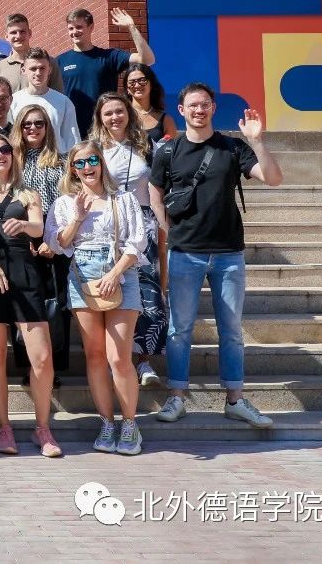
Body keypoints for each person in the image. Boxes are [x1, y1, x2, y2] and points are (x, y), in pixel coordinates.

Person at [151, 83, 283, 429]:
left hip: (228, 254)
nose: (199, 110)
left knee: (232, 330)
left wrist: (257, 141)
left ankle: (235, 400)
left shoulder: (233, 147)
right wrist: (168, 229)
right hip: (185, 252)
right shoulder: (168, 150)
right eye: (193, 105)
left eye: (205, 104)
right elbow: (155, 191)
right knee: (179, 329)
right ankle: (177, 397)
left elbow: (273, 179)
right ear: (181, 110)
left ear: (213, 108)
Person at [0, 133, 61, 458]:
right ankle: (3, 426)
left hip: (24, 273)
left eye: (5, 149)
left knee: (42, 357)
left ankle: (42, 427)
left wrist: (24, 226)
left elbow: (38, 228)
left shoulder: (27, 193)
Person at [45, 141, 147, 455]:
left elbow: (137, 242)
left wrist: (114, 273)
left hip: (121, 276)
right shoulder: (64, 203)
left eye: (92, 160)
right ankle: (107, 422)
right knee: (94, 355)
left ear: (101, 163)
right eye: (79, 163)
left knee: (119, 357)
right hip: (82, 280)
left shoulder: (124, 199)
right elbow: (58, 244)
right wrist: (77, 217)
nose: (87, 167)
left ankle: (129, 424)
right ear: (72, 169)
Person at [91, 92, 166, 387]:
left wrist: (162, 226)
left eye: (119, 111)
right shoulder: (95, 149)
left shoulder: (147, 145)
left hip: (144, 222)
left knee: (147, 291)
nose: (115, 117)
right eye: (108, 113)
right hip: (108, 223)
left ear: (129, 114)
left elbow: (159, 188)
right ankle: (116, 360)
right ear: (100, 118)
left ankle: (144, 361)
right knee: (112, 289)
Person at [11, 103, 72, 383]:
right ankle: (29, 365)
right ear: (19, 128)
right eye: (27, 124)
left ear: (48, 127)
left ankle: (54, 366)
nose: (33, 128)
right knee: (25, 302)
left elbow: (69, 203)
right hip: (20, 234)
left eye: (39, 123)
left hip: (56, 233)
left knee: (56, 301)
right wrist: (24, 238)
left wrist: (52, 241)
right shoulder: (11, 162)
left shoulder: (63, 161)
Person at [57, 7, 155, 134]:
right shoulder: (59, 61)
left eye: (79, 27)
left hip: (106, 131)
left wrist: (132, 27)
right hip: (73, 131)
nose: (74, 32)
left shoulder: (109, 56)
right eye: (71, 28)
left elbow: (147, 59)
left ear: (91, 27)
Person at [10, 48, 81, 152]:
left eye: (42, 68)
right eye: (33, 69)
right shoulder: (13, 101)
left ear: (50, 70)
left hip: (56, 159)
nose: (38, 73)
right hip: (23, 160)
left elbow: (72, 140)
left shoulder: (63, 102)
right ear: (23, 70)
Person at [0, 13, 63, 94]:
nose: (18, 36)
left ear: (29, 33)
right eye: (13, 32)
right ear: (6, 36)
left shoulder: (48, 63)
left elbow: (58, 95)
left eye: (22, 31)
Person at [120, 63, 177, 147]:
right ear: (127, 88)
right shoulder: (120, 115)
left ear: (151, 84)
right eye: (132, 82)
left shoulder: (166, 120)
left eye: (142, 80)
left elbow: (171, 151)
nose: (137, 85)